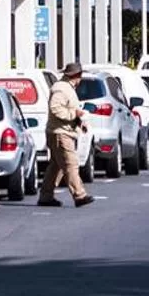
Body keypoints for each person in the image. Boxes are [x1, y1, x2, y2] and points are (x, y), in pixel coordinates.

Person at [38, 62, 93, 208]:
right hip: (61, 133)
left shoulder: (66, 88)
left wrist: (80, 121)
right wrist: (74, 114)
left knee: (56, 166)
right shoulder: (61, 89)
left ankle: (46, 196)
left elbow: (69, 109)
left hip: (60, 131)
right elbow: (55, 109)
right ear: (77, 76)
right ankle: (79, 195)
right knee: (71, 164)